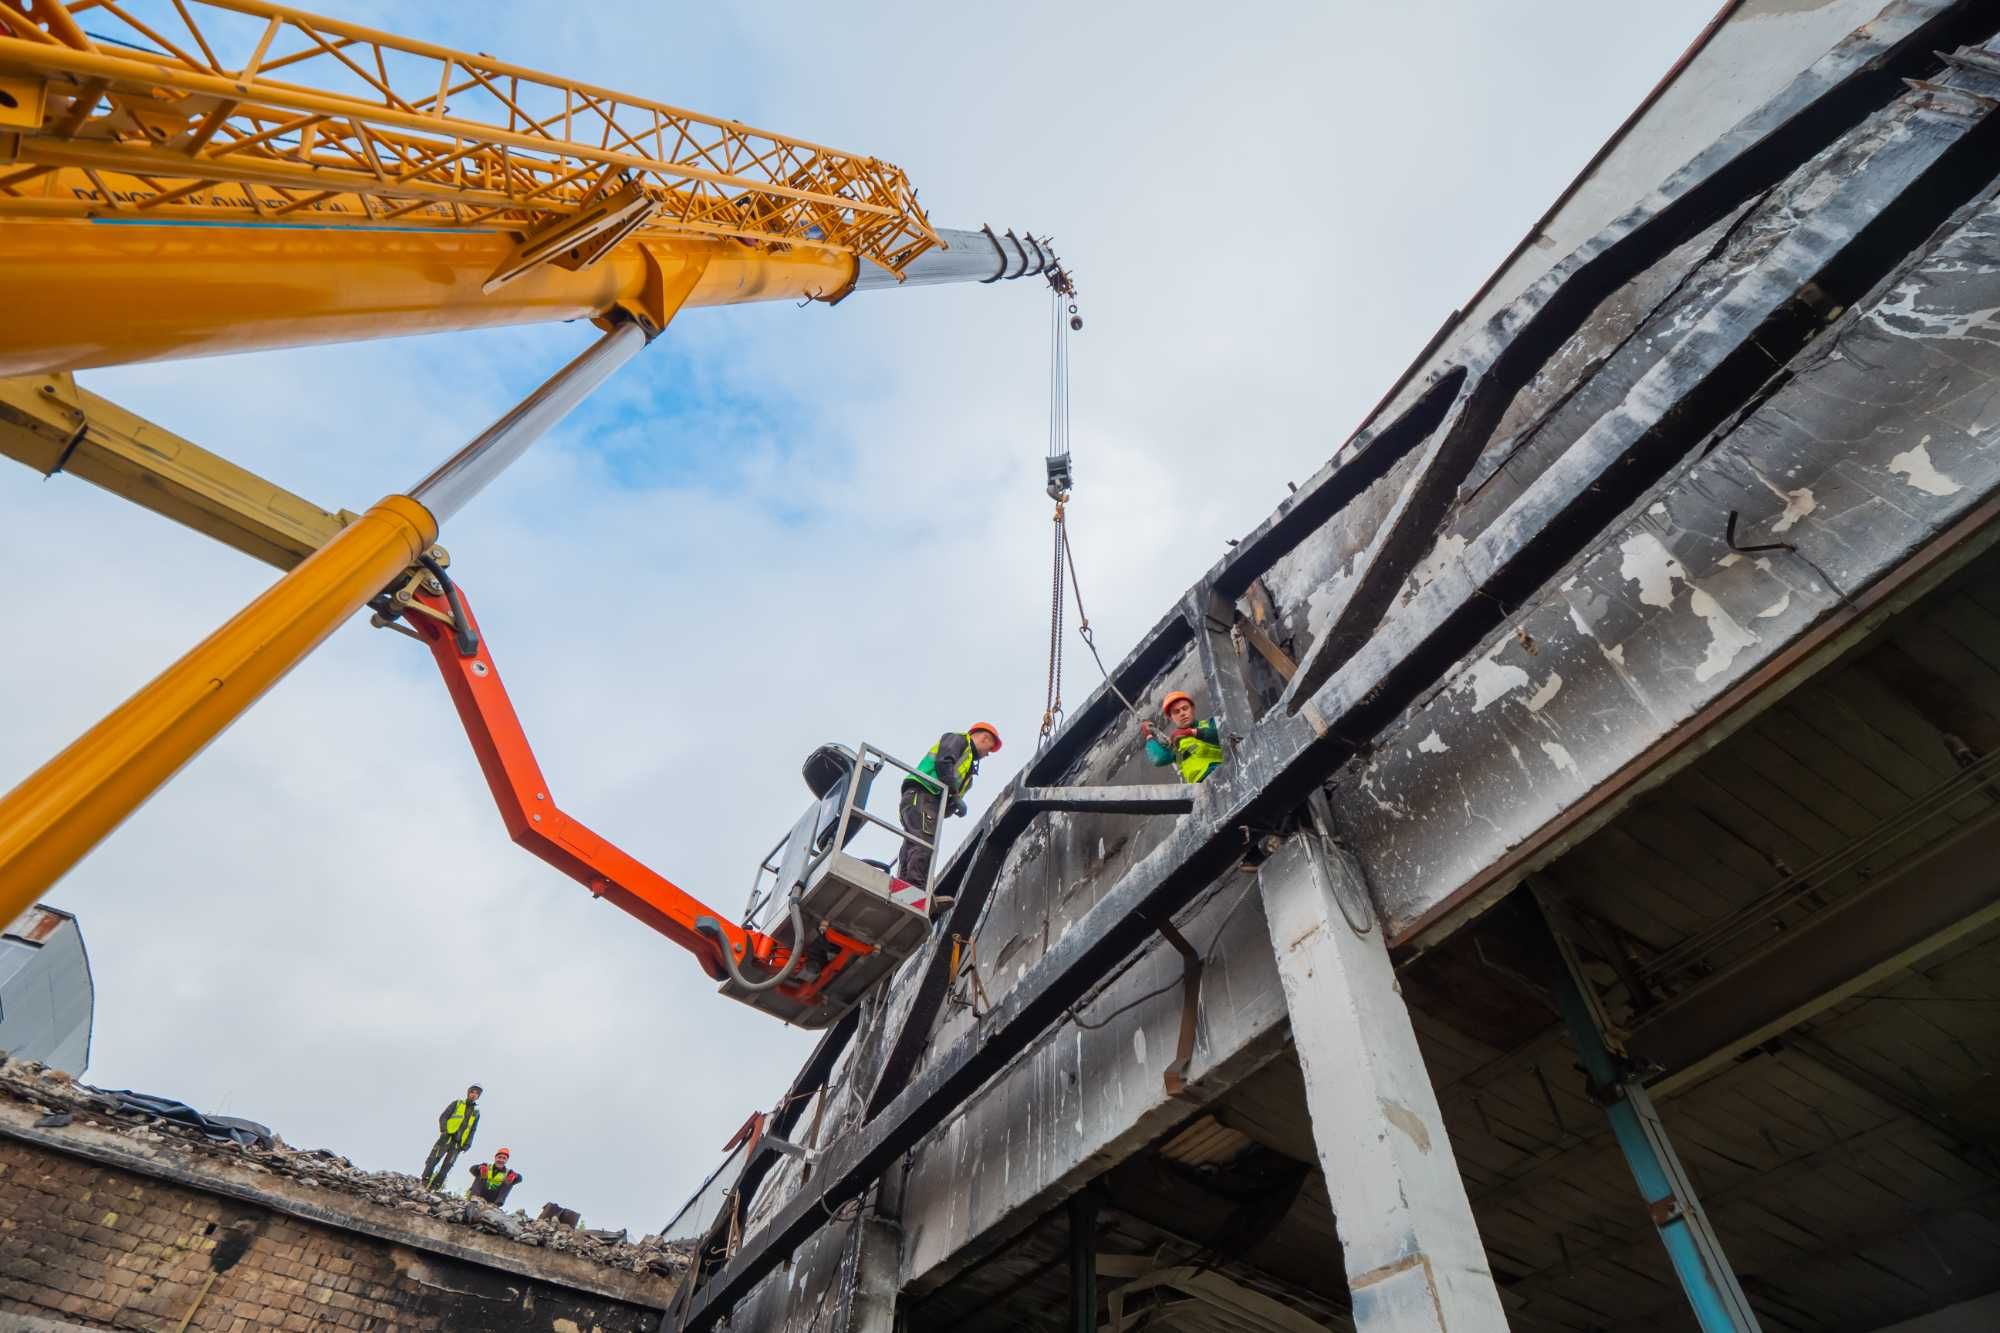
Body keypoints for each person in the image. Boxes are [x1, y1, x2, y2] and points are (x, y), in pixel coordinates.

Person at [890, 723, 1002, 910]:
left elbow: (949, 791)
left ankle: (906, 890)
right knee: (922, 843)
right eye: (989, 749)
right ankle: (914, 890)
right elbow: (943, 763)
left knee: (915, 843)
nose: (987, 754)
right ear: (984, 738)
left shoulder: (968, 769)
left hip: (925, 801)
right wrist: (956, 796)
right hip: (922, 794)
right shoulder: (958, 740)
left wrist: (953, 805)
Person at [1142, 691, 1225, 784]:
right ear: (1171, 718)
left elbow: (1223, 736)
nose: (1182, 713)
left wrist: (1191, 732)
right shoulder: (1178, 747)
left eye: (1185, 708)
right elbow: (1160, 759)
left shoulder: (1211, 723)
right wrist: (1149, 736)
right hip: (1203, 786)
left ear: (1192, 709)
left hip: (1224, 773)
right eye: (1176, 712)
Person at [420, 1083, 482, 1190]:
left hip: (458, 1143)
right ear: (468, 1092)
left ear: (478, 1096)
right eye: (472, 1092)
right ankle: (424, 1182)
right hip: (446, 1137)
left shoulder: (476, 1112)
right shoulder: (457, 1103)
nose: (474, 1095)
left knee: (447, 1166)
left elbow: (473, 1129)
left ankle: (434, 1188)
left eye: (477, 1093)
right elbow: (443, 1117)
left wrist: (468, 1143)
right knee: (433, 1159)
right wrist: (444, 1130)